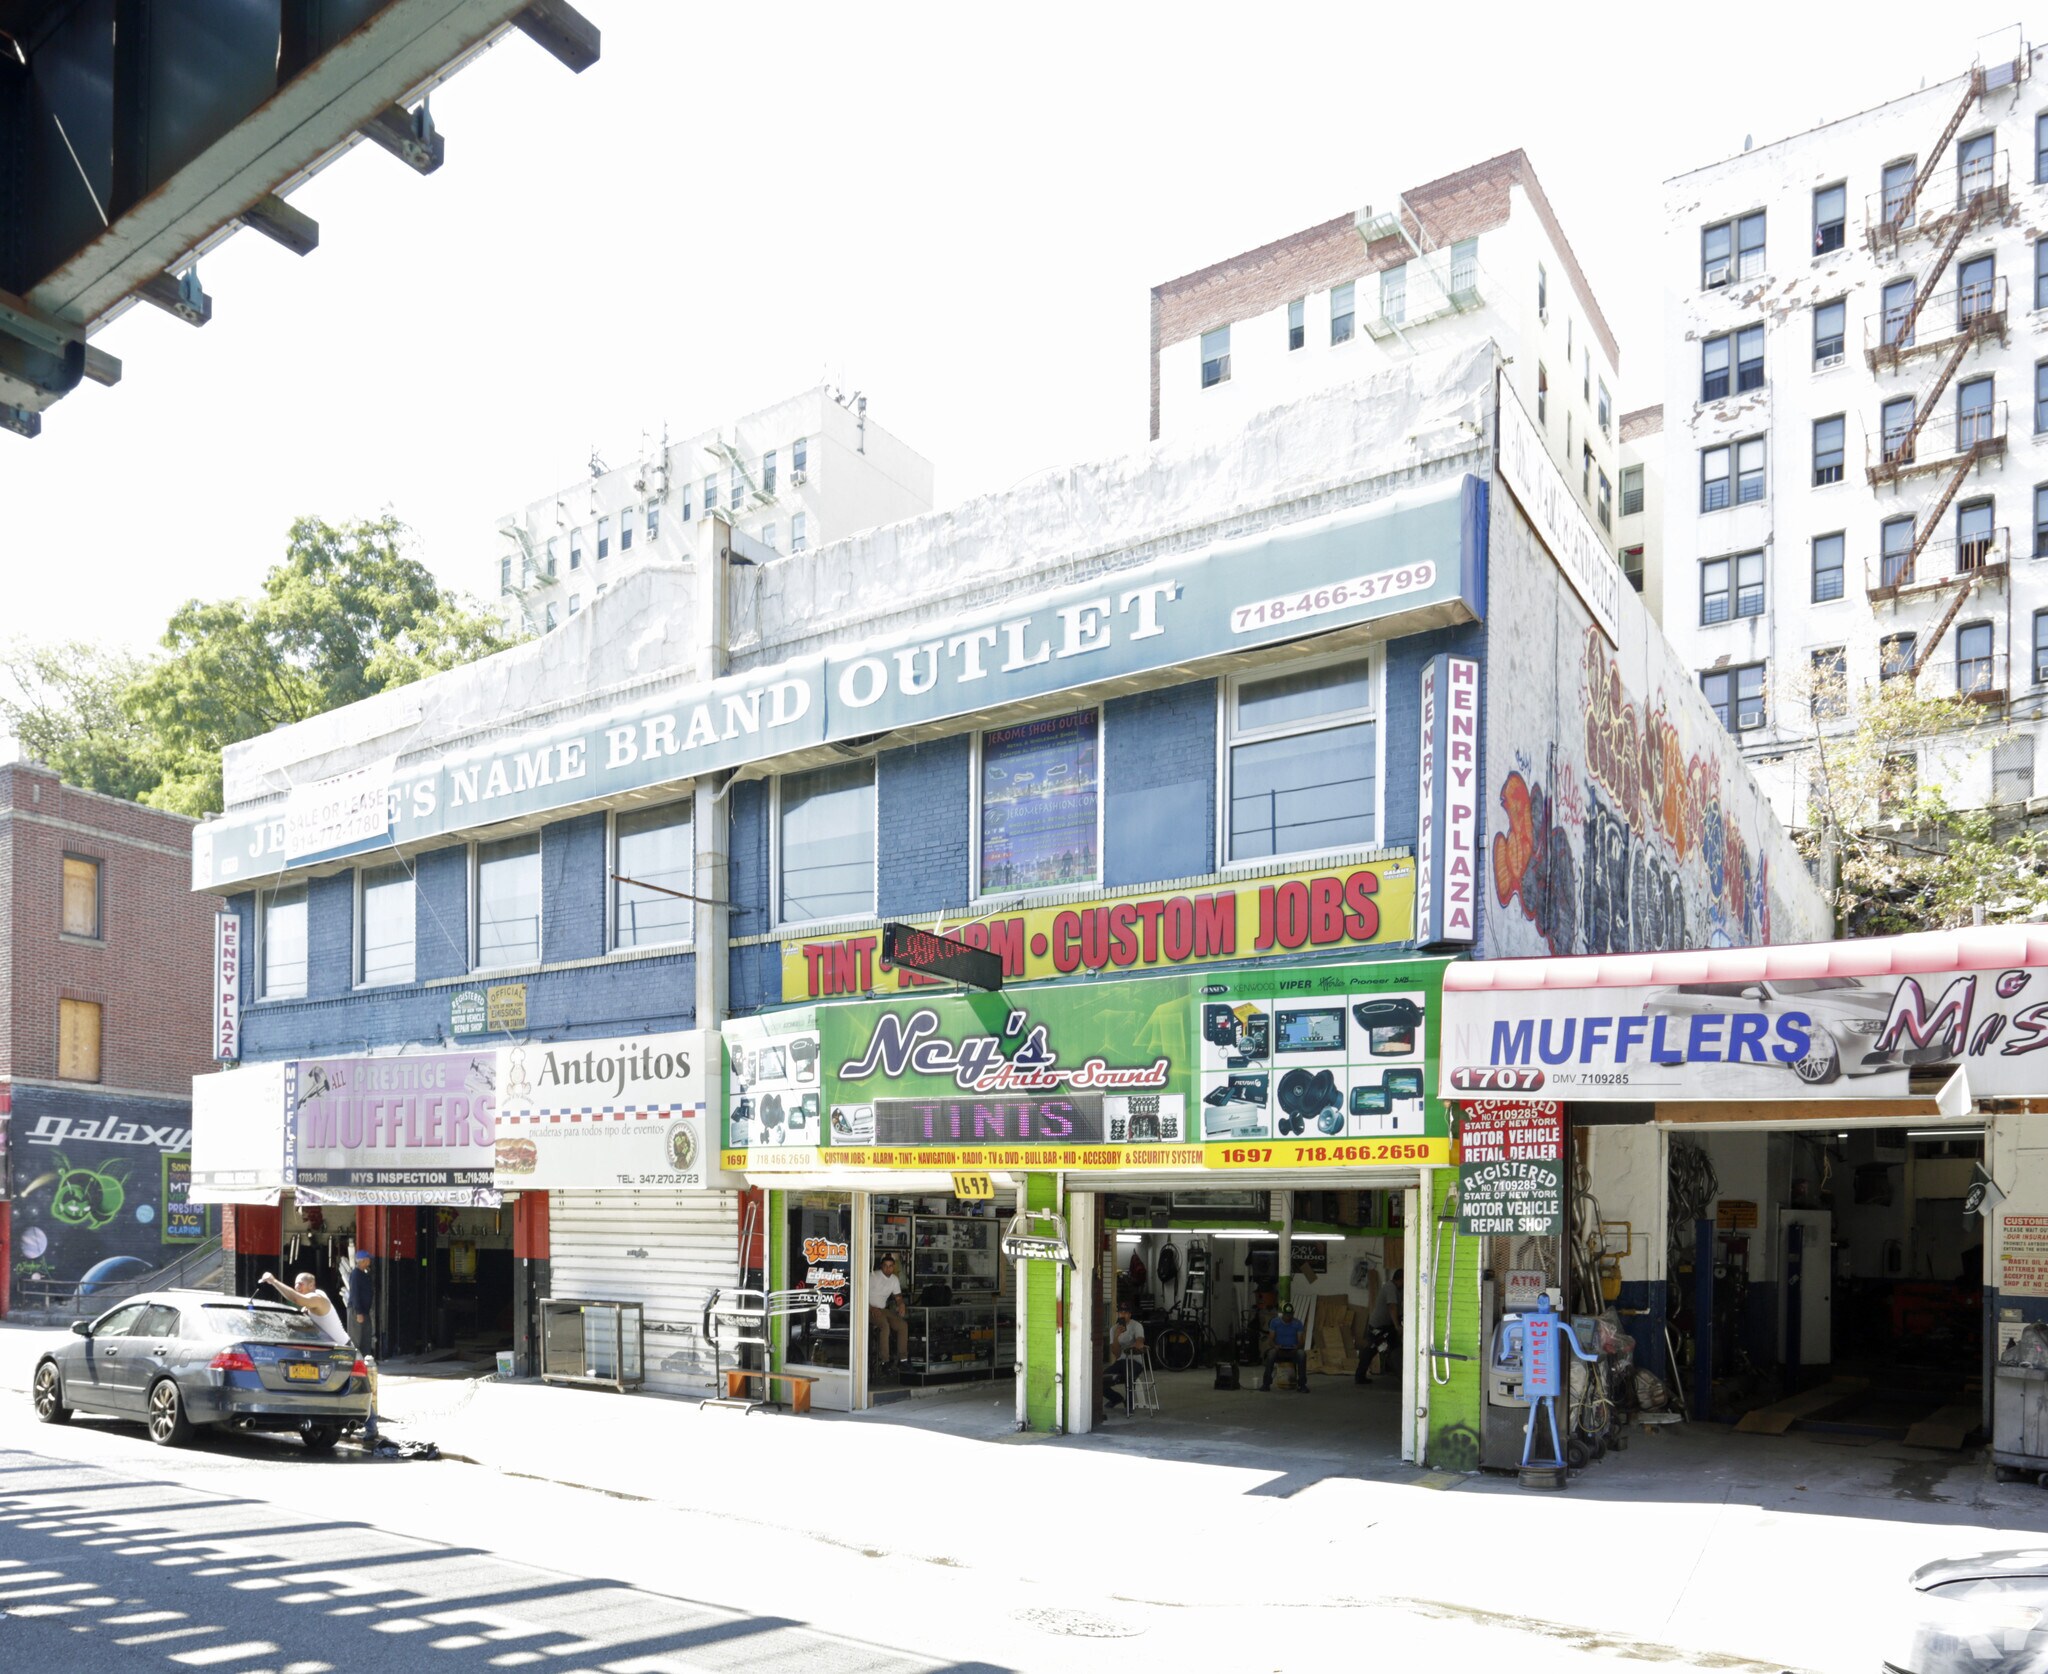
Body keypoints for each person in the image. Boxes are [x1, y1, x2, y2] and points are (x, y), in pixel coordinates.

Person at [258, 1269, 349, 1346]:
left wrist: (273, 1281)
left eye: (300, 1284)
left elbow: (296, 1298)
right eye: (296, 1284)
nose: (297, 1288)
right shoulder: (309, 1306)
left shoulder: (317, 1297)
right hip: (331, 1348)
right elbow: (310, 1329)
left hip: (343, 1347)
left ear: (311, 1285)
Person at [1359, 1265, 1403, 1385]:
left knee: (1394, 1348)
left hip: (1387, 1326)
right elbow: (1392, 1307)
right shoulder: (1390, 1288)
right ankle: (1360, 1376)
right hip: (1378, 1327)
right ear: (1400, 1279)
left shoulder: (1399, 1290)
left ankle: (1402, 1376)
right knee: (1373, 1350)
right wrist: (1397, 1326)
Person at [1101, 1303, 1146, 1414]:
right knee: (1101, 1379)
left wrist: (1132, 1346)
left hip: (1135, 1360)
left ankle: (1130, 1405)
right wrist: (1116, 1336)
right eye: (1121, 1312)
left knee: (1129, 1374)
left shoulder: (1136, 1325)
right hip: (1121, 1361)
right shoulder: (1113, 1329)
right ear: (1118, 1314)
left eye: (1126, 1313)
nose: (1123, 1315)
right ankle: (1116, 1398)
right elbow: (1116, 1353)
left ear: (1130, 1314)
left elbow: (1140, 1342)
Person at [869, 1253, 910, 1372]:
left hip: (882, 1309)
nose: (888, 1268)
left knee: (903, 1325)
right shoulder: (873, 1276)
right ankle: (884, 1361)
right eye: (886, 1266)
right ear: (881, 1266)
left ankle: (903, 1360)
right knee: (884, 1326)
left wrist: (901, 1304)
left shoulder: (894, 1279)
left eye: (891, 1266)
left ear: (894, 1266)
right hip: (868, 1308)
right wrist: (871, 1308)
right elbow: (860, 1295)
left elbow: (898, 1296)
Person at [1262, 1301, 1309, 1392]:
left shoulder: (1297, 1323)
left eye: (1290, 1314)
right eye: (1287, 1314)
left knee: (1302, 1354)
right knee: (1271, 1354)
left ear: (1293, 1313)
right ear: (1282, 1314)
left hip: (1293, 1351)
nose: (1288, 1317)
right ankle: (1266, 1384)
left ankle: (1302, 1385)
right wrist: (1275, 1346)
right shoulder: (1275, 1322)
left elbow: (1301, 1341)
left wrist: (1297, 1346)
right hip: (1279, 1351)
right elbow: (1270, 1340)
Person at [347, 1246, 376, 1357]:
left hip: (364, 1311)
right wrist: (358, 1312)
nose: (370, 1261)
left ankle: (365, 1360)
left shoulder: (364, 1274)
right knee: (356, 1338)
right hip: (356, 1311)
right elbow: (355, 1294)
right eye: (368, 1259)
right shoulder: (356, 1274)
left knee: (366, 1336)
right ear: (363, 1260)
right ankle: (355, 1361)